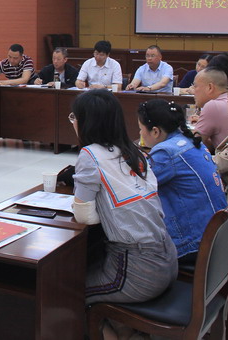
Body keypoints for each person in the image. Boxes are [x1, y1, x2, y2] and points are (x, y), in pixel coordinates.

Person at [70, 89, 177, 307]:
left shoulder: (89, 155)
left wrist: (106, 211)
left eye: (74, 117)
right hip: (167, 258)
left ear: (86, 122)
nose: (73, 122)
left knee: (63, 293)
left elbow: (84, 216)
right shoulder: (134, 150)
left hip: (137, 271)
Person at [137, 100, 227, 261]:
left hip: (193, 243)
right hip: (216, 234)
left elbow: (135, 185)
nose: (140, 133)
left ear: (155, 131)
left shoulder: (167, 152)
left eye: (141, 128)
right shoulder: (190, 141)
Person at [190, 67, 228, 152]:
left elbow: (192, 144)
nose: (193, 92)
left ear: (210, 87)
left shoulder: (213, 105)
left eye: (195, 86)